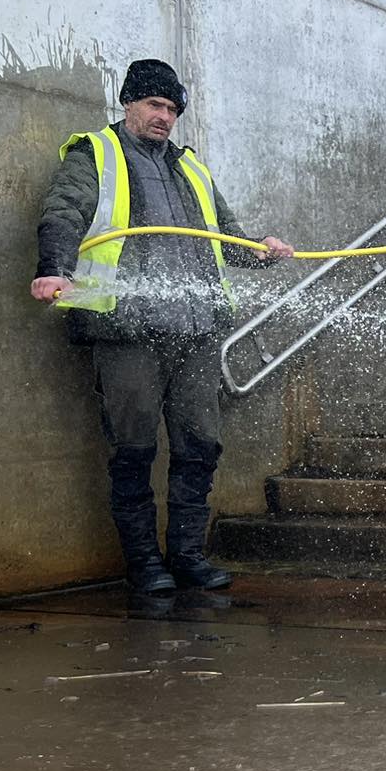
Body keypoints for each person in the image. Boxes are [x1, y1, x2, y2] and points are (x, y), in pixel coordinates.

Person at [32, 60, 295, 594]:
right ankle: (145, 565)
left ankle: (188, 557)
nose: (165, 117)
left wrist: (263, 252)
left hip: (195, 332)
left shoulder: (190, 167)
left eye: (172, 109)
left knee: (200, 444)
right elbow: (64, 211)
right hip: (126, 329)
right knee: (132, 448)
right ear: (129, 104)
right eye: (155, 105)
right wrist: (53, 269)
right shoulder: (96, 155)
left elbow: (229, 237)